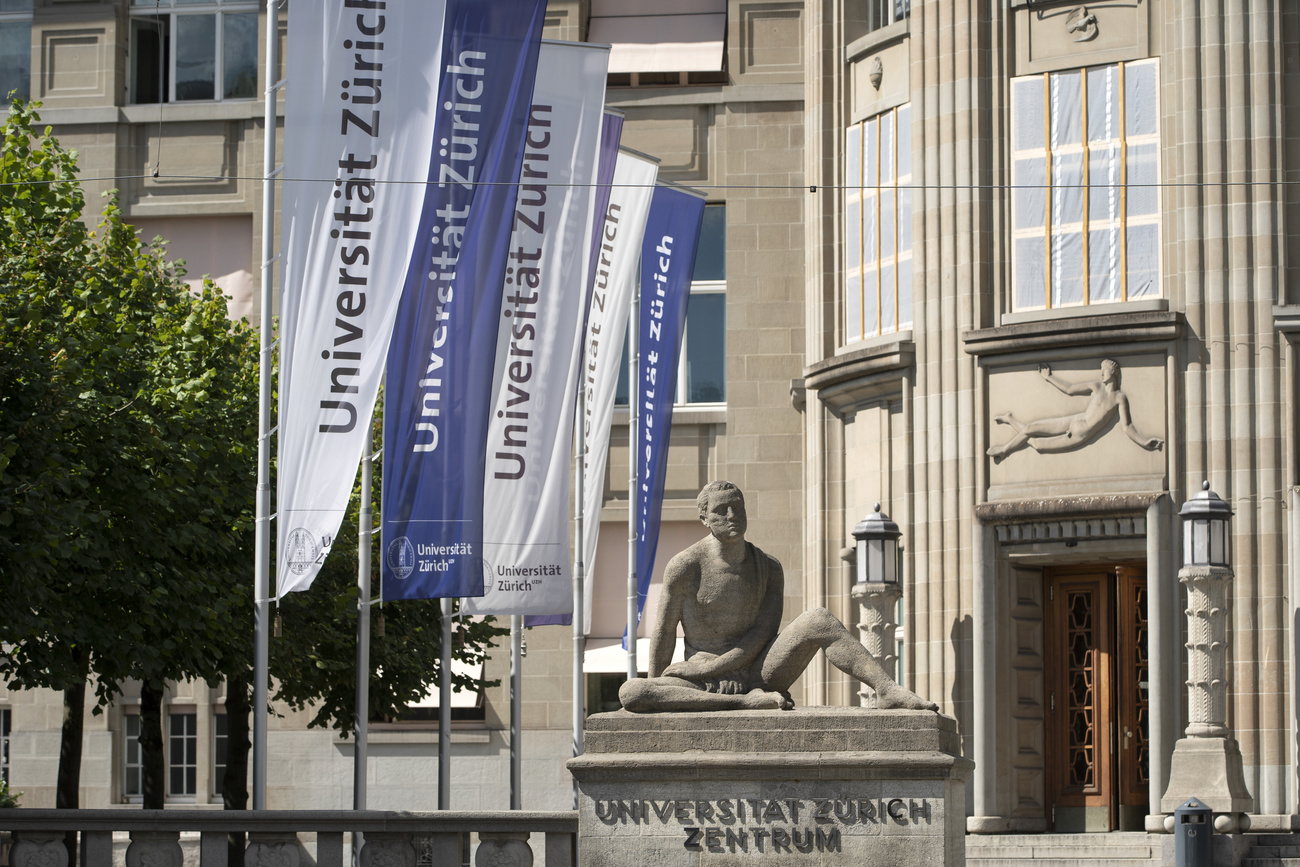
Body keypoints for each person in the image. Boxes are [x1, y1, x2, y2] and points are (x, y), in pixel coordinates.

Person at [619, 481, 937, 713]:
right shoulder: (684, 566)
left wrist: (715, 669)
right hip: (700, 681)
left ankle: (887, 689)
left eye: (738, 507)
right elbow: (662, 635)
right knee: (633, 692)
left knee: (819, 619)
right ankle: (744, 704)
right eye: (721, 510)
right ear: (705, 519)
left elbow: (761, 636)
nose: (732, 515)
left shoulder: (768, 567)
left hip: (756, 669)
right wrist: (661, 683)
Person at [986, 359, 1164, 461]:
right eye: (1101, 370)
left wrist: (1144, 442)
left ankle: (1010, 420)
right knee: (1031, 427)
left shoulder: (1119, 398)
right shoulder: (1096, 386)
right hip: (1074, 420)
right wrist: (1049, 377)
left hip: (1080, 435)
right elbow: (1070, 389)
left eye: (1105, 371)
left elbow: (1127, 427)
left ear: (1114, 373)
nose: (1102, 374)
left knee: (1037, 445)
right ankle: (1005, 449)